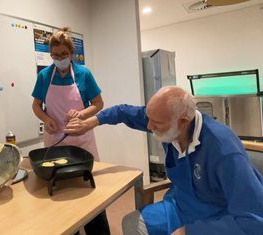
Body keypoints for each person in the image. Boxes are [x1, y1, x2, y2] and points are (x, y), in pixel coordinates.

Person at [65, 86, 263, 235]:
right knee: (133, 224)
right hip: (178, 205)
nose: (149, 126)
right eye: (148, 119)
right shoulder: (166, 121)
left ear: (183, 122)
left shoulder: (224, 150)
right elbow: (121, 112)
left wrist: (191, 231)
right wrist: (89, 123)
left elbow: (254, 220)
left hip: (216, 216)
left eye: (156, 123)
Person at [31, 27, 109, 234]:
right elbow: (36, 105)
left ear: (71, 53)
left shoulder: (84, 73)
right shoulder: (45, 75)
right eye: (55, 55)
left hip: (82, 141)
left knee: (90, 196)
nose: (59, 59)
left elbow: (98, 103)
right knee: (60, 197)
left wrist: (82, 114)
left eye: (64, 55)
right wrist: (47, 119)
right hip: (55, 141)